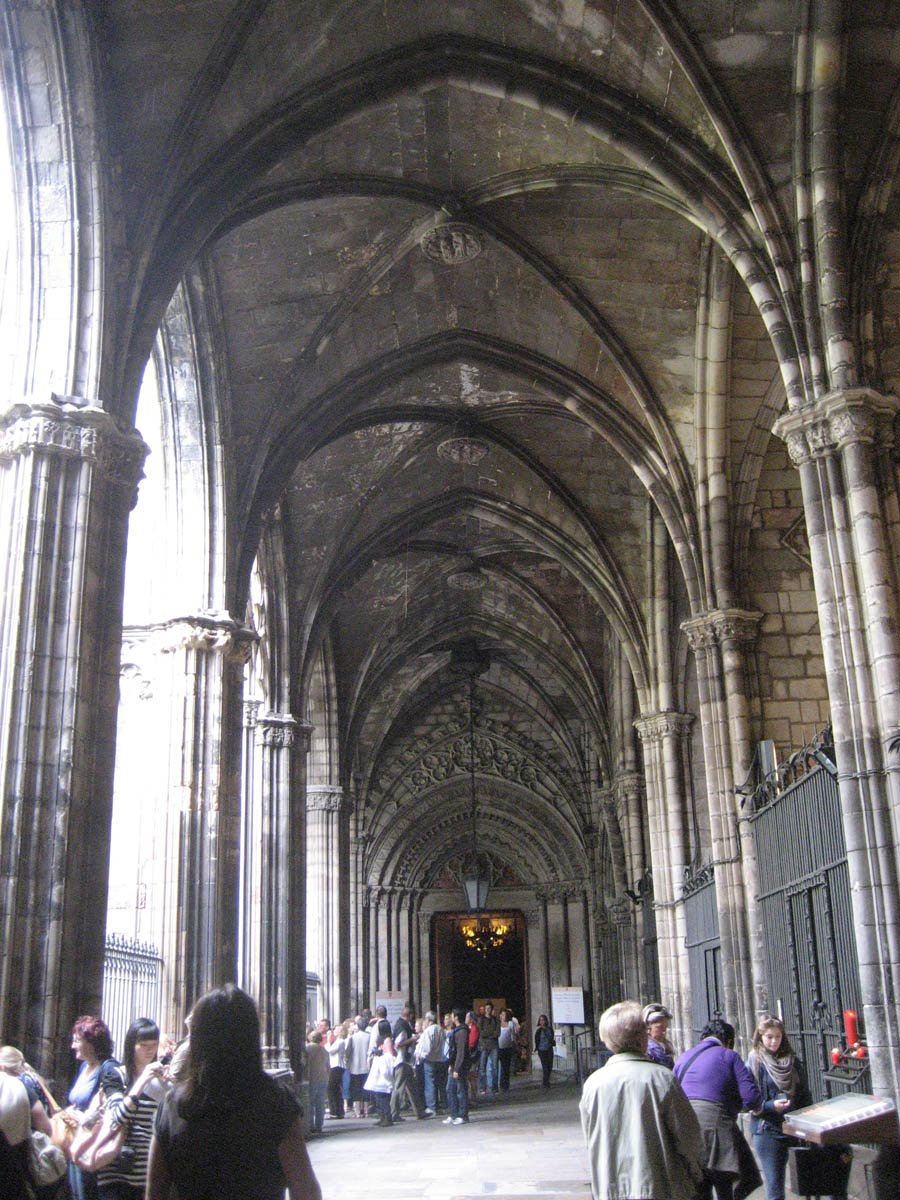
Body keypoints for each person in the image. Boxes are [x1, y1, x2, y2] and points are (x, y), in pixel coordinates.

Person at [146, 983, 321, 1200]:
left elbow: (155, 1191)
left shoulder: (173, 1106)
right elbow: (305, 1189)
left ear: (198, 1039)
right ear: (251, 1036)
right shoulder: (275, 1101)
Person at [580, 1001, 704, 1200]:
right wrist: (695, 1174)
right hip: (658, 1187)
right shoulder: (662, 1078)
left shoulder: (593, 1084)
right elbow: (688, 1136)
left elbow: (591, 1138)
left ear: (607, 1039)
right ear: (642, 1037)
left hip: (610, 1189)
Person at [674, 1018, 762, 1200]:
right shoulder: (729, 1056)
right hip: (717, 1132)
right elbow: (751, 1098)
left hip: (686, 1132)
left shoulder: (683, 1058)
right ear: (729, 1041)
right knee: (725, 1189)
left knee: (699, 1190)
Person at [96, 1017, 168, 1199]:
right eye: (143, 1045)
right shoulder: (116, 1075)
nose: (149, 1050)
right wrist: (141, 1082)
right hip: (114, 1171)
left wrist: (172, 1086)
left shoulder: (161, 1079)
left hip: (146, 1174)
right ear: (131, 1045)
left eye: (154, 1045)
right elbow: (116, 1119)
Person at [745, 1016, 811, 1200]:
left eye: (778, 1036)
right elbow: (745, 1100)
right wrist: (769, 1106)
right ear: (760, 1037)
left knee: (808, 1184)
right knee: (775, 1189)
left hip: (794, 1127)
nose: (774, 1041)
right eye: (769, 1037)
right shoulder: (754, 1062)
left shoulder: (792, 1061)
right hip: (768, 1130)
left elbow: (804, 1094)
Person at [67, 1016, 121, 1200]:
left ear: (91, 1042)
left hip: (92, 1145)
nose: (73, 1046)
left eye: (77, 1041)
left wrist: (84, 1119)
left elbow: (113, 1110)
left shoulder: (108, 1068)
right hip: (76, 1141)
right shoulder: (84, 1067)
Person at [390, 1006, 426, 1122]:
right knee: (398, 1087)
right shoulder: (403, 1027)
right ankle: (393, 1113)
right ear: (409, 1015)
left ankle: (419, 1112)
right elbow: (397, 1044)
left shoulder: (399, 1024)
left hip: (404, 1061)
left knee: (412, 1087)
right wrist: (413, 1039)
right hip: (402, 1061)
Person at [362, 1020, 396, 1127]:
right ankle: (382, 1117)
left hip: (383, 1070)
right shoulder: (382, 1039)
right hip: (379, 1070)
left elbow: (390, 1055)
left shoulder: (387, 1040)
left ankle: (387, 1117)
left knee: (382, 1096)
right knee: (378, 1095)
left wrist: (380, 1053)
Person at [443, 1009, 470, 1125]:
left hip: (459, 1066)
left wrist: (457, 1068)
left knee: (461, 1090)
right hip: (454, 1065)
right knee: (450, 1089)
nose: (451, 1017)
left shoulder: (462, 1031)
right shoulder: (457, 1030)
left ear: (456, 1017)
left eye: (452, 1015)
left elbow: (461, 1051)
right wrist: (451, 1065)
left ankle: (463, 1115)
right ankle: (453, 1114)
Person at [305, 1031, 330, 1136]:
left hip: (312, 1078)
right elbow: (328, 1067)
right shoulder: (324, 1050)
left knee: (310, 1103)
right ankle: (319, 1125)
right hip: (323, 1078)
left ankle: (310, 1125)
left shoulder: (307, 1049)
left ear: (310, 1038)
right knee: (320, 1103)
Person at [642, 1003, 675, 1069]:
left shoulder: (666, 1046)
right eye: (660, 1028)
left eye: (665, 1028)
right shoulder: (650, 1049)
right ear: (648, 1026)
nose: (664, 1032)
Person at [477, 1003, 500, 1095]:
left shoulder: (496, 1020)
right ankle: (482, 1088)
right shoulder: (481, 1020)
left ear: (491, 1009)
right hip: (484, 1046)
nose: (487, 1010)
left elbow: (497, 1033)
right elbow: (480, 1032)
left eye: (489, 1008)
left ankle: (495, 1088)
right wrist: (491, 1033)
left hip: (494, 1046)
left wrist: (488, 1034)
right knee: (482, 1068)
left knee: (495, 1067)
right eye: (486, 1008)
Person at [497, 1010, 516, 1092]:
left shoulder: (510, 1024)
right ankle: (500, 1083)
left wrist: (514, 1044)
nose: (503, 1016)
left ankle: (506, 1084)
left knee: (506, 1067)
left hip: (508, 1047)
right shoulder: (498, 1024)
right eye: (502, 1014)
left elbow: (513, 1035)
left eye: (504, 1014)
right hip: (499, 1048)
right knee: (500, 1066)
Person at [534, 1014, 555, 1088]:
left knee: (550, 1066)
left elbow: (552, 1037)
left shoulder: (550, 1029)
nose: (542, 1022)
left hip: (549, 1049)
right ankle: (546, 1082)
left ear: (546, 1021)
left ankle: (546, 1080)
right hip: (542, 1050)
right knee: (545, 1066)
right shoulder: (539, 1031)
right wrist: (537, 1048)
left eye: (543, 1020)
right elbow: (537, 1040)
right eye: (540, 1020)